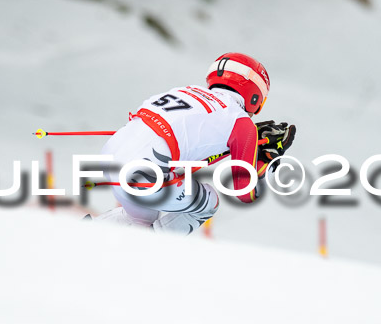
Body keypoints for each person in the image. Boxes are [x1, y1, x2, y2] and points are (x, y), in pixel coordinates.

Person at [92, 53, 296, 234]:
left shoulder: (185, 91)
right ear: (255, 96)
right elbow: (245, 192)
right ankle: (151, 249)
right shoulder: (239, 121)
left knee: (139, 221)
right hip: (142, 173)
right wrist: (266, 159)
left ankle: (85, 234)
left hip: (111, 155)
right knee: (209, 203)